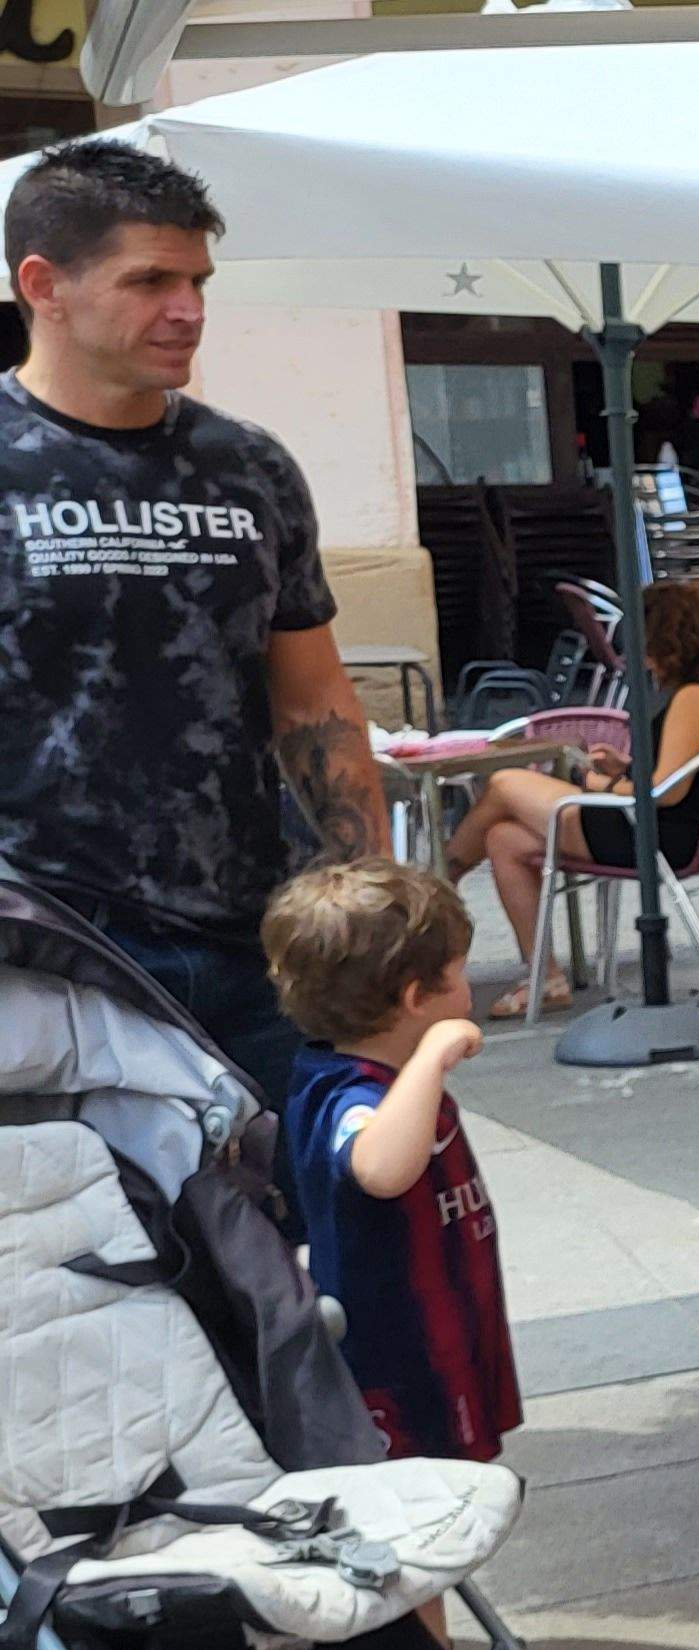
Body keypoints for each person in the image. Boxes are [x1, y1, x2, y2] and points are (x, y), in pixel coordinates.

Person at [0, 139, 390, 1120]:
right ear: (42, 284)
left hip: (261, 939)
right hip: (54, 947)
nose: (189, 309)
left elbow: (312, 697)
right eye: (150, 280)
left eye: (198, 280)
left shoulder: (249, 467)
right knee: (103, 1252)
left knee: (298, 1236)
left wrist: (375, 904)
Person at [263, 859, 513, 1468]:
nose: (468, 989)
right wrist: (433, 1057)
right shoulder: (347, 1094)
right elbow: (379, 1168)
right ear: (415, 999)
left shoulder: (376, 1081)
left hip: (442, 1325)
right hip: (396, 1358)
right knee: (424, 1491)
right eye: (458, 976)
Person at [439, 581, 699, 1019]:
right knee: (503, 839)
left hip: (654, 835)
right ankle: (545, 977)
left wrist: (597, 784)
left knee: (505, 786)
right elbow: (688, 771)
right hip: (689, 834)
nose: (643, 660)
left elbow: (665, 793)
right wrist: (625, 767)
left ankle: (440, 880)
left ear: (670, 641)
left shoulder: (693, 697)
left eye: (647, 647)